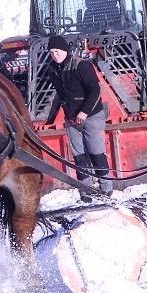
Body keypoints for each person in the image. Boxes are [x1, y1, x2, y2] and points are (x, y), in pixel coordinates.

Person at [45, 35, 113, 201]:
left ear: (65, 50)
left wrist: (84, 112)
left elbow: (95, 91)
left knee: (96, 153)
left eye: (57, 51)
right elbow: (62, 94)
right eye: (52, 52)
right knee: (79, 156)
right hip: (72, 119)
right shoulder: (53, 70)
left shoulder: (82, 65)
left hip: (91, 116)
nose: (55, 54)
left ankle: (106, 188)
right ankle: (85, 191)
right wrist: (69, 114)